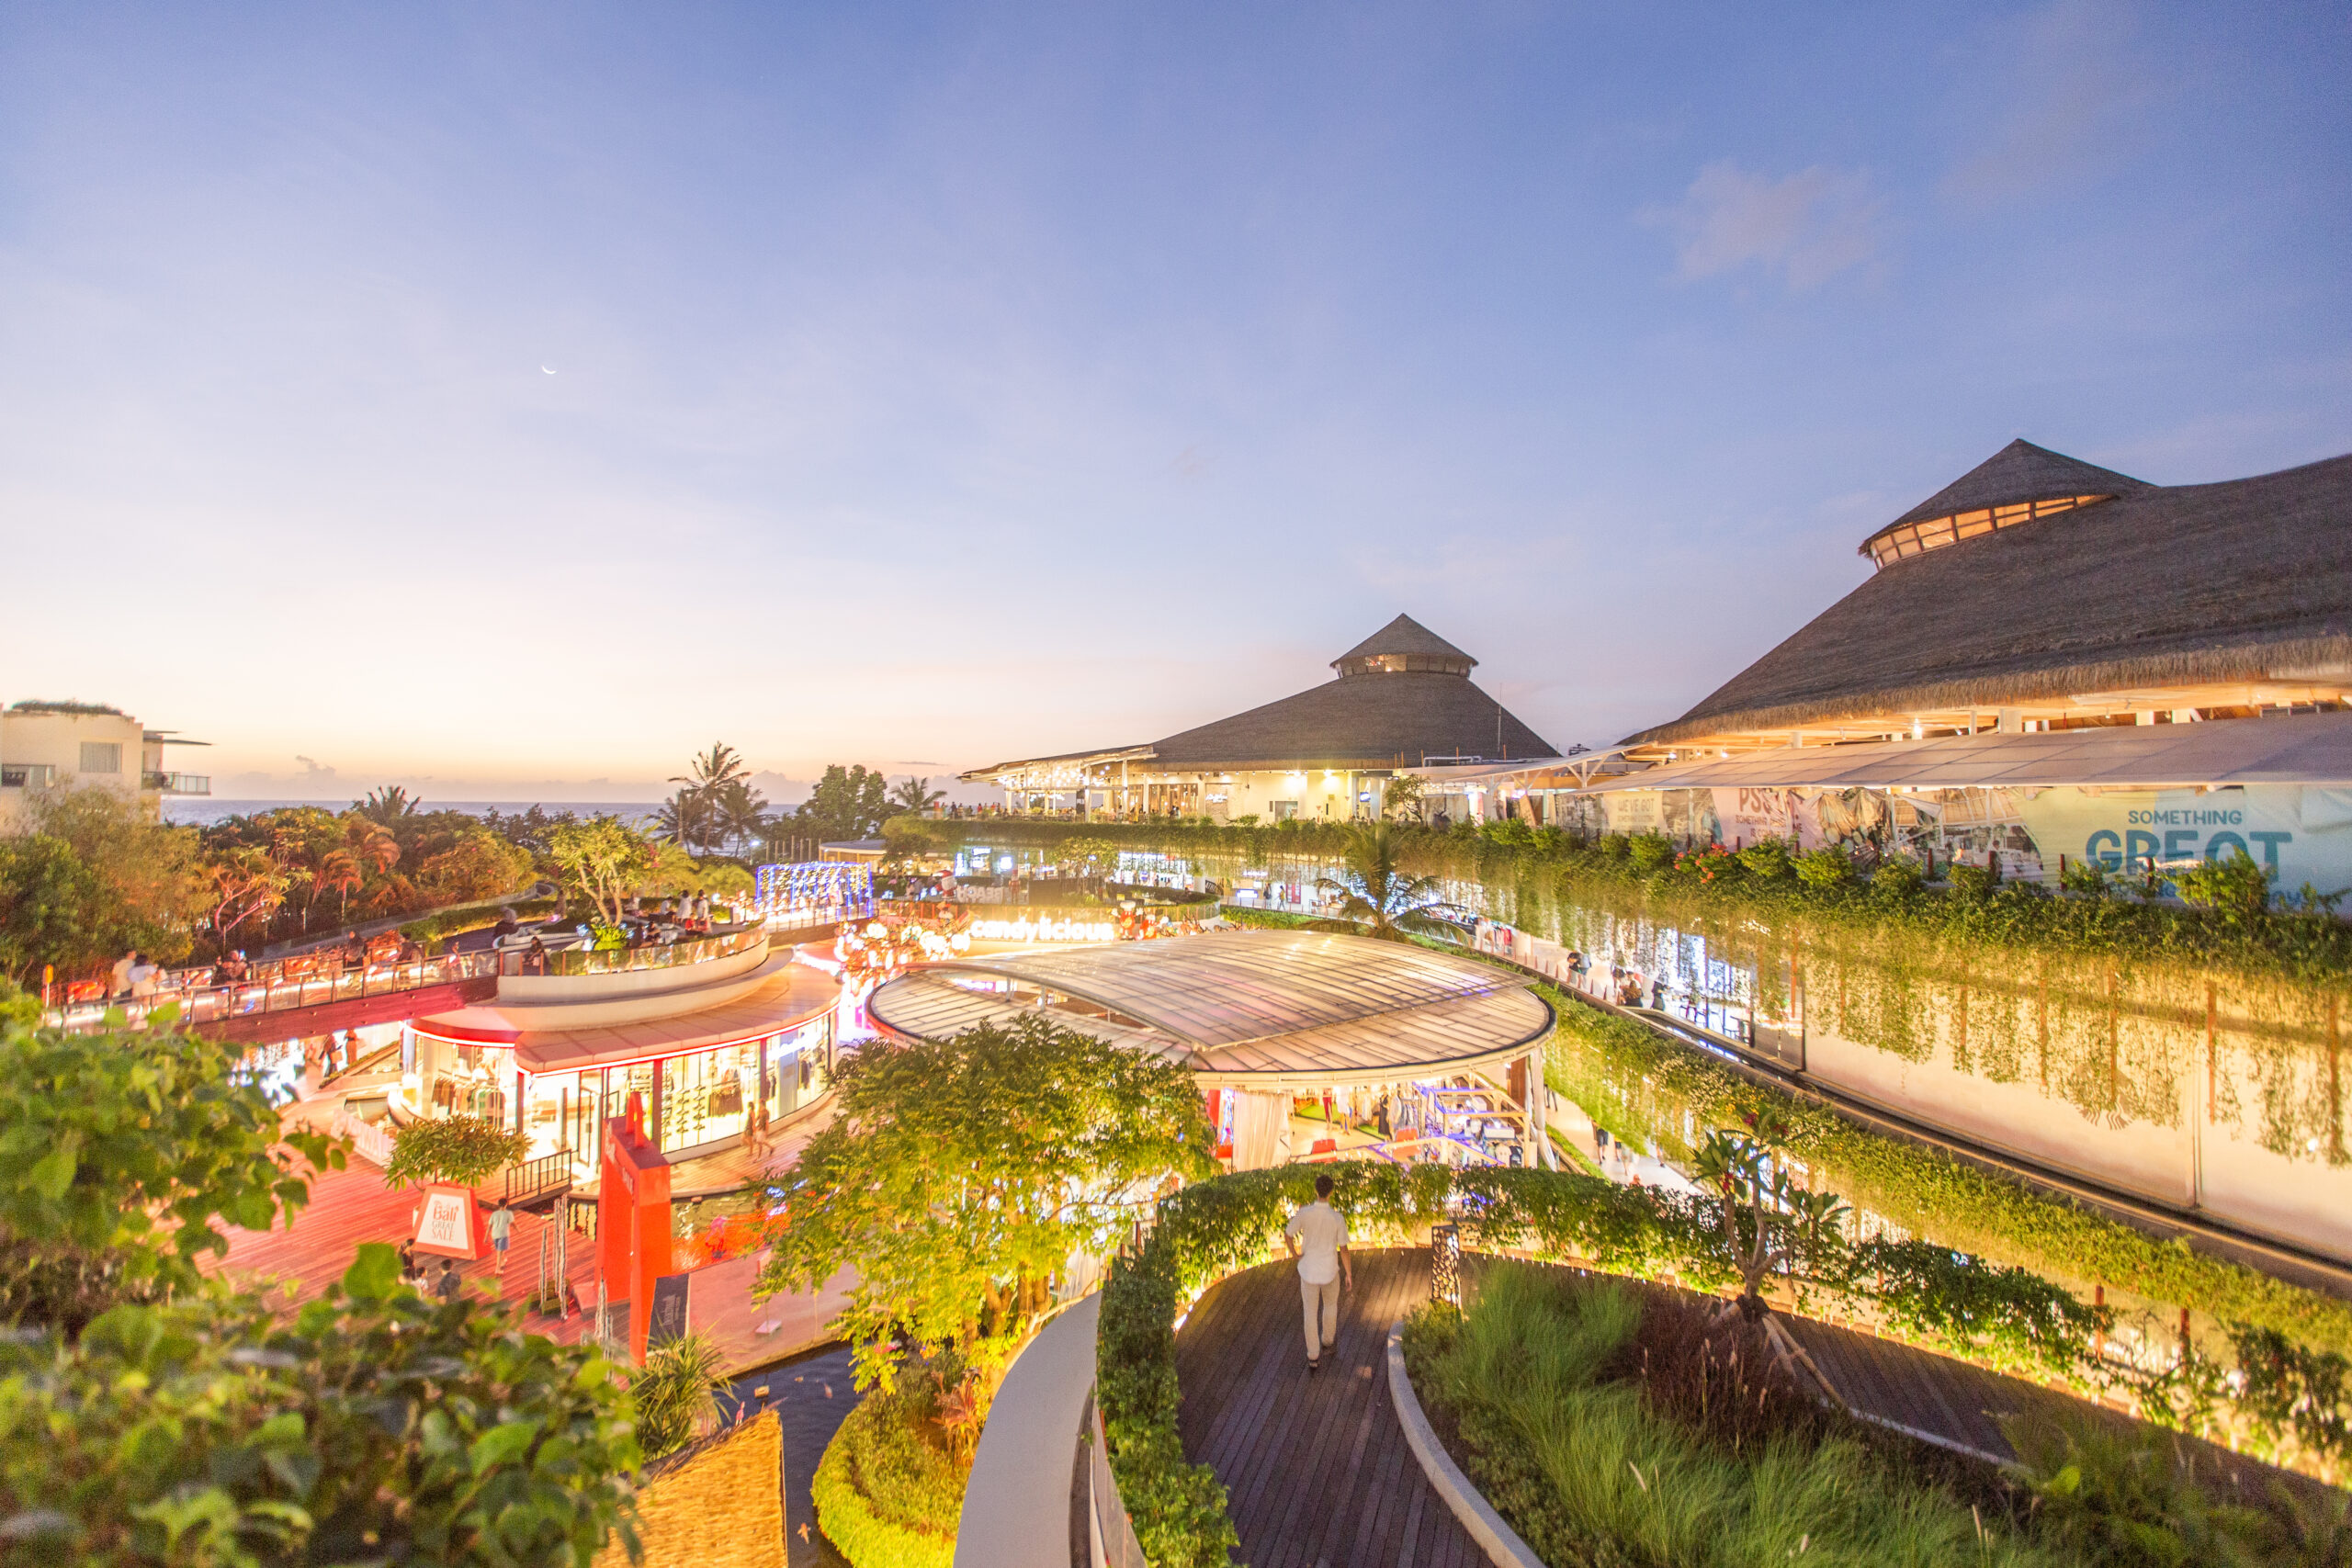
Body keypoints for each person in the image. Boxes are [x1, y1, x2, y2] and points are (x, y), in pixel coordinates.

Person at [1283, 1172, 1352, 1371]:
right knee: (1330, 1306)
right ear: (1331, 1192)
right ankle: (1328, 1341)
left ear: (1316, 1191)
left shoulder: (1305, 1213)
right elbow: (1344, 1249)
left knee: (1310, 1313)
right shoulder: (1337, 1218)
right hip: (1330, 1270)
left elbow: (1288, 1234)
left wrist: (1295, 1254)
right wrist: (1349, 1274)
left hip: (1308, 1270)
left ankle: (1313, 1355)